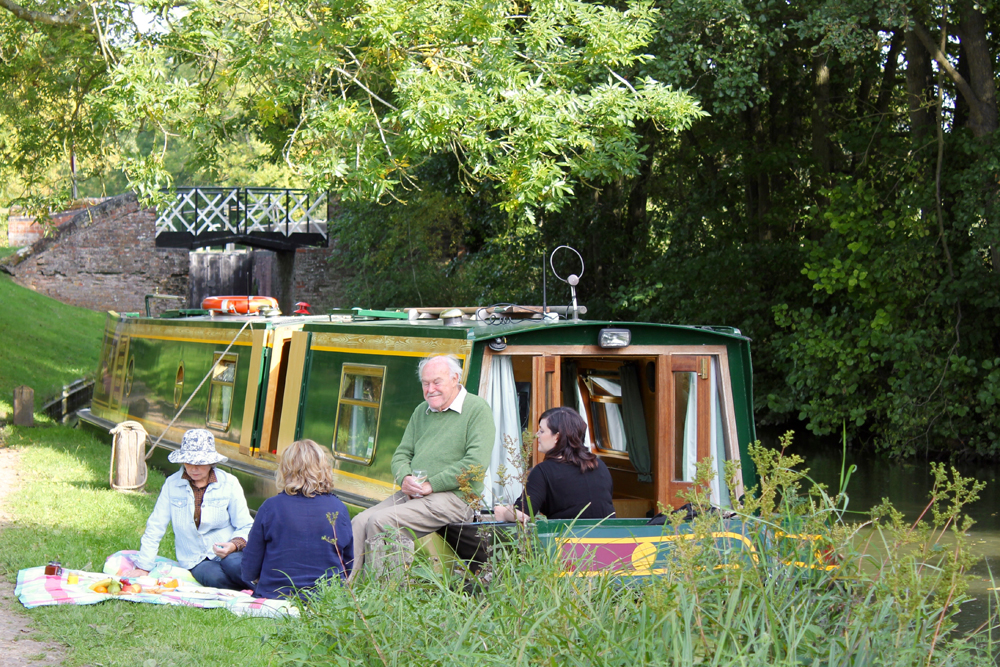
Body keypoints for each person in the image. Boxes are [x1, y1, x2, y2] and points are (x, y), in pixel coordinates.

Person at [350, 354, 496, 578]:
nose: (430, 389)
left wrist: (432, 485)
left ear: (455, 378)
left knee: (383, 521)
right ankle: (352, 589)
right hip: (416, 493)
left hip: (455, 497)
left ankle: (387, 597)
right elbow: (401, 454)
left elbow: (475, 464)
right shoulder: (422, 411)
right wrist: (405, 478)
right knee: (359, 522)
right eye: (425, 384)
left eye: (437, 382)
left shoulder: (477, 409)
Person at [125, 429, 254, 590]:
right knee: (215, 579)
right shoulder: (172, 484)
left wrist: (234, 545)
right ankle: (246, 591)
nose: (193, 468)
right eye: (188, 462)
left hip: (230, 551)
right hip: (195, 558)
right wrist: (143, 566)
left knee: (236, 567)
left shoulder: (229, 483)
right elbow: (156, 525)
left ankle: (269, 590)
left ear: (211, 462)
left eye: (199, 463)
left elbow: (246, 525)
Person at [241, 439, 354, 598]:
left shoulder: (271, 507)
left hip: (276, 595)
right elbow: (347, 563)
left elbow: (249, 568)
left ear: (285, 469)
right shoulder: (339, 508)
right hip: (326, 599)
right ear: (324, 468)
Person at [493, 406, 615, 522]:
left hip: (567, 541)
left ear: (557, 437)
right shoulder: (599, 465)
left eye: (541, 431)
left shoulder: (544, 470)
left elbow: (522, 514)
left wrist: (503, 512)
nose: (536, 435)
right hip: (609, 539)